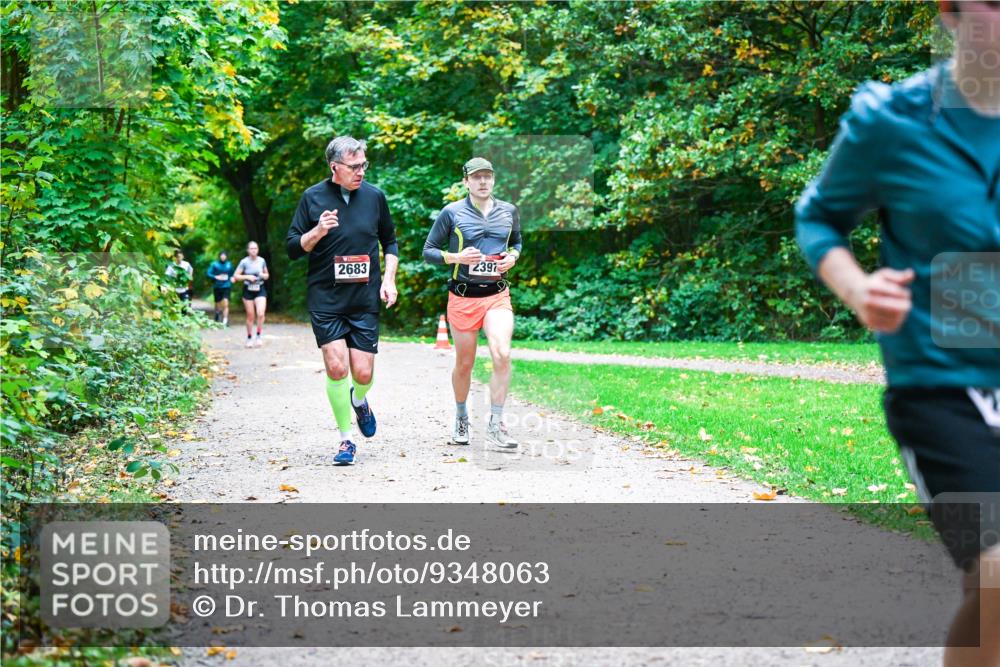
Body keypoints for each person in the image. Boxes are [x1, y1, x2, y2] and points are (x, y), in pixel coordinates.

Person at [795, 3, 999, 665]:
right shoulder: (894, 121)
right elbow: (820, 217)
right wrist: (857, 289)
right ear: (950, 11)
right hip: (943, 384)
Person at [286, 136, 399, 466]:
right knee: (337, 367)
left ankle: (359, 399)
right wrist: (318, 231)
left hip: (364, 298)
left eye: (364, 164)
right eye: (354, 166)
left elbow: (390, 242)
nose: (361, 171)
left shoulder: (375, 197)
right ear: (335, 167)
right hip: (326, 297)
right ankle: (346, 440)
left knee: (362, 373)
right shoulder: (313, 198)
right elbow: (293, 247)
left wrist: (389, 280)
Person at [423, 157, 522, 449]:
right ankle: (462, 417)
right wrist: (456, 258)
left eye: (487, 177)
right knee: (464, 364)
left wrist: (513, 257)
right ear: (466, 181)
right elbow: (428, 251)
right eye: (476, 177)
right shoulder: (451, 213)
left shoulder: (509, 211)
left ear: (493, 180)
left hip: (497, 295)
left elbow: (517, 242)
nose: (482, 182)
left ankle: (496, 423)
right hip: (463, 297)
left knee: (502, 354)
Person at [233, 241, 269, 348]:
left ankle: (258, 336)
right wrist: (247, 277)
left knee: (261, 313)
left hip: (260, 289)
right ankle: (249, 337)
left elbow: (267, 275)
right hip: (248, 290)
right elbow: (236, 276)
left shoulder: (262, 261)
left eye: (256, 248)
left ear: (258, 250)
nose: (254, 250)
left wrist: (262, 275)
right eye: (252, 248)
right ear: (248, 250)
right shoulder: (244, 262)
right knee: (250, 316)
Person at [207, 251, 233, 325]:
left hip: (226, 286)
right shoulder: (214, 264)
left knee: (226, 303)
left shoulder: (229, 264)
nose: (223, 257)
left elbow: (232, 274)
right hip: (217, 286)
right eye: (221, 256)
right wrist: (215, 277)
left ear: (226, 256)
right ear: (219, 256)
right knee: (218, 303)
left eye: (224, 256)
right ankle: (217, 314)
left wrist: (232, 278)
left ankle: (225, 320)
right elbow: (208, 273)